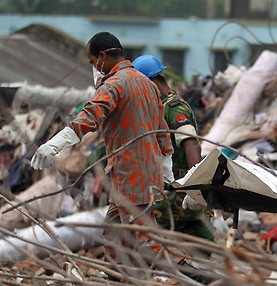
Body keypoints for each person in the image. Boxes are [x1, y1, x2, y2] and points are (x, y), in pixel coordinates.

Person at [30, 32, 177, 261]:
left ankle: (190, 275)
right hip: (143, 177)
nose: (93, 67)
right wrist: (165, 174)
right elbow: (163, 133)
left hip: (132, 178)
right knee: (115, 235)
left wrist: (53, 145)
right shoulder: (147, 84)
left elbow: (88, 117)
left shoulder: (114, 85)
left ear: (102, 57)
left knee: (145, 241)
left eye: (92, 62)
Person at [132, 55, 214, 244]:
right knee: (202, 242)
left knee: (153, 242)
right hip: (173, 192)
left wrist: (195, 185)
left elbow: (190, 143)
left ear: (151, 83)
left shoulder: (175, 109)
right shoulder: (160, 107)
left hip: (177, 193)